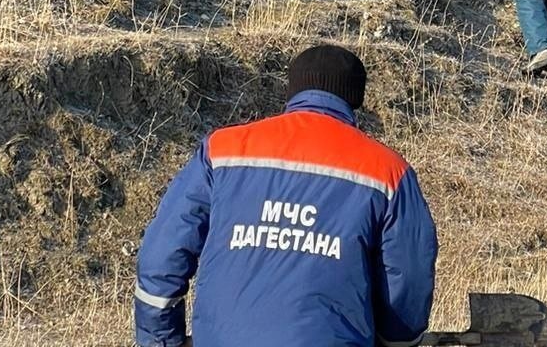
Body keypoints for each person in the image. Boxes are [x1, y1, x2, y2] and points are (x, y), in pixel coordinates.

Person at [134, 44, 438, 347]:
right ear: (355, 98)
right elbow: (407, 278)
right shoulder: (388, 172)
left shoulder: (223, 150)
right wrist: (396, 342)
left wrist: (161, 339)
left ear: (291, 91)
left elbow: (163, 255)